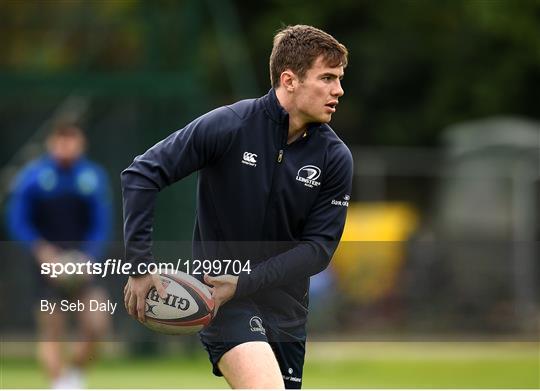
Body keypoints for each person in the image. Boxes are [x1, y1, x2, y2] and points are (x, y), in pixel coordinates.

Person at [122, 24, 352, 389]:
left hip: (288, 313)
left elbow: (318, 250)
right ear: (289, 80)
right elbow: (142, 174)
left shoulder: (335, 157)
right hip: (222, 301)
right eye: (327, 78)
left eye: (339, 79)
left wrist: (245, 282)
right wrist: (139, 265)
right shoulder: (230, 126)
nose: (338, 90)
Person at [7, 123, 112, 389]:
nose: (66, 146)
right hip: (47, 266)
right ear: (51, 143)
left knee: (98, 324)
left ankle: (74, 374)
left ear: (81, 143)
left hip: (83, 264)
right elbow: (17, 219)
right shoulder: (33, 176)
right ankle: (59, 385)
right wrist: (41, 249)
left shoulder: (92, 176)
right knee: (52, 330)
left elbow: (101, 223)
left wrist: (90, 257)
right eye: (61, 140)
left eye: (72, 140)